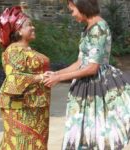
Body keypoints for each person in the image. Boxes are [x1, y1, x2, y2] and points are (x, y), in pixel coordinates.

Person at [44, 0, 130, 149]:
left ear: (82, 7)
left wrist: (59, 78)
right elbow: (80, 62)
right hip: (85, 84)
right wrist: (56, 73)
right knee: (83, 131)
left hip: (97, 86)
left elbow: (92, 68)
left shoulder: (99, 28)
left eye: (72, 10)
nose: (72, 14)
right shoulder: (87, 28)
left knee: (96, 132)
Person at [0, 6, 50, 150]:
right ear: (18, 30)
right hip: (21, 108)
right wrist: (40, 77)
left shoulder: (27, 50)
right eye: (29, 25)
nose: (33, 27)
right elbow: (14, 78)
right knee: (21, 143)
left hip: (36, 106)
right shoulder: (13, 50)